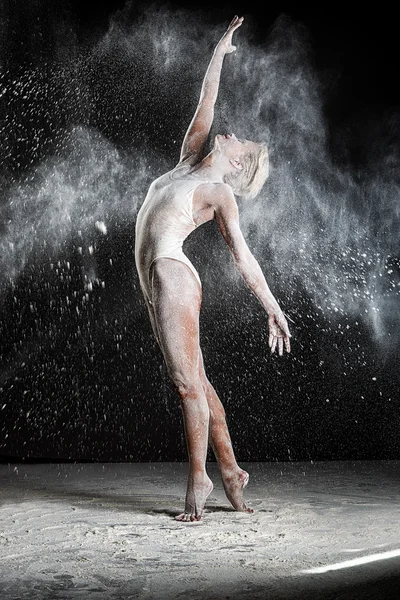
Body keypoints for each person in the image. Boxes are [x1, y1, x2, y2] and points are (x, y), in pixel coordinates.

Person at [135, 15, 291, 522]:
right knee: (202, 388)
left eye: (239, 143)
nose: (230, 133)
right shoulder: (186, 160)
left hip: (172, 273)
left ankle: (198, 478)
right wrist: (219, 53)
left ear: (239, 166)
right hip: (158, 282)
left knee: (185, 386)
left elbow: (243, 256)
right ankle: (231, 474)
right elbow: (206, 98)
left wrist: (271, 306)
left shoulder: (220, 192)